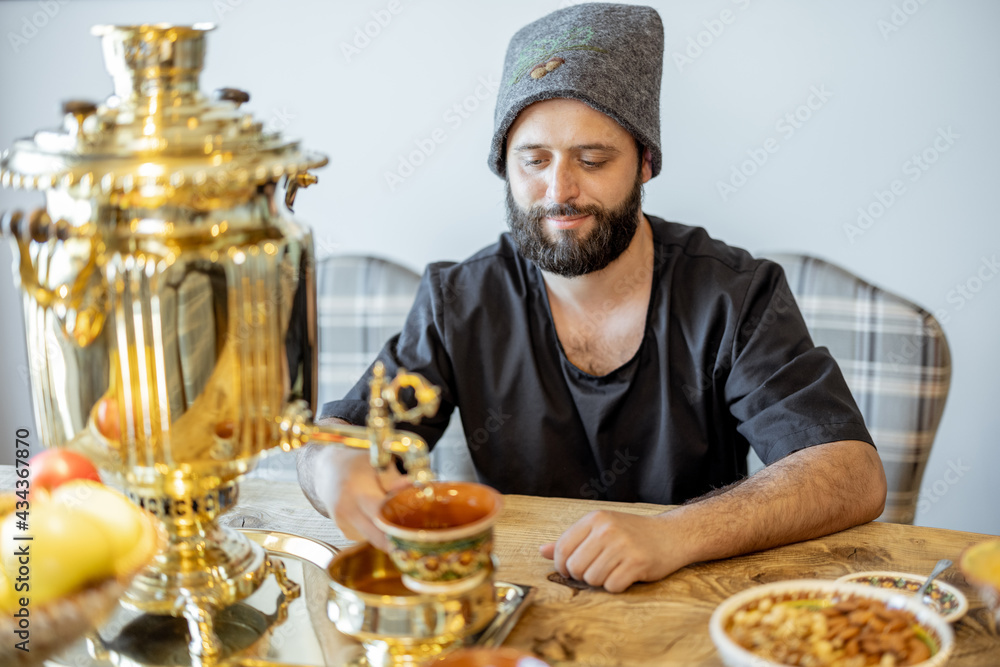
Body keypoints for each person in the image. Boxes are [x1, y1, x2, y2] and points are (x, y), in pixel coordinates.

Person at [298, 3, 886, 593]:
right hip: (525, 604)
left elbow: (852, 474)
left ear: (646, 163)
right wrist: (331, 468)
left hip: (691, 606)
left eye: (593, 159)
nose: (560, 192)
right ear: (504, 166)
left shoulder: (735, 294)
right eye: (534, 161)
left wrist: (674, 534)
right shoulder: (460, 301)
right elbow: (337, 438)